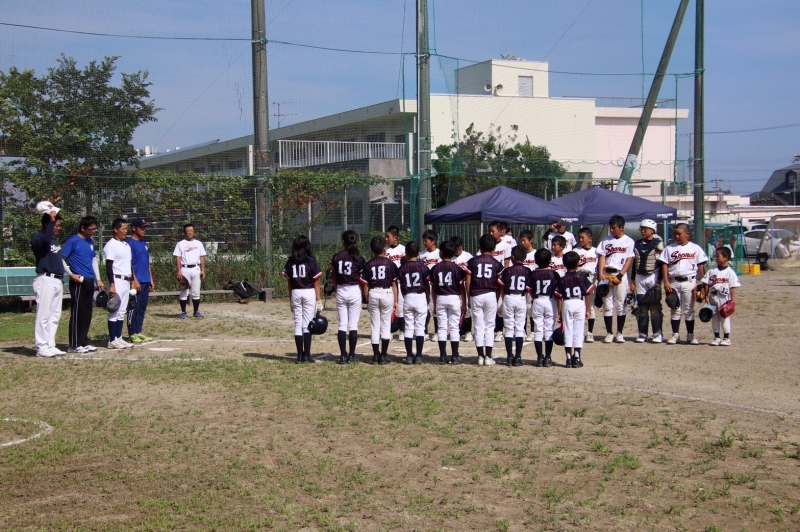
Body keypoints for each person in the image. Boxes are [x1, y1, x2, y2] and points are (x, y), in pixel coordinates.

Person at [61, 215, 105, 354]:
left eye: (95, 229)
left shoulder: (90, 241)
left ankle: (83, 341)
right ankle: (73, 344)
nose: (93, 232)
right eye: (91, 229)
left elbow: (93, 260)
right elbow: (61, 258)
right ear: (82, 228)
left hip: (90, 280)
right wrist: (70, 274)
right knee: (77, 312)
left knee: (87, 312)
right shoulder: (73, 241)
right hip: (78, 280)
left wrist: (98, 279)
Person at [659, 223, 708, 345]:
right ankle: (675, 335)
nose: (676, 236)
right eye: (675, 234)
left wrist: (703, 283)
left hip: (690, 281)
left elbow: (701, 266)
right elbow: (664, 265)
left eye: (679, 234)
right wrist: (666, 281)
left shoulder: (695, 248)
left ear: (687, 234)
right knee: (674, 308)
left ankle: (690, 335)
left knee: (689, 309)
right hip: (674, 282)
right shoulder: (669, 248)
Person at [30, 203, 67, 357]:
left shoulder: (54, 241)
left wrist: (61, 281)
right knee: (43, 315)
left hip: (56, 280)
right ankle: (41, 346)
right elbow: (44, 242)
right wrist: (51, 220)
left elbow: (57, 263)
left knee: (54, 316)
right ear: (47, 224)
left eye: (58, 225)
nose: (58, 228)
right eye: (56, 225)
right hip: (45, 279)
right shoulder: (38, 238)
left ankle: (50, 344)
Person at [282, 235, 323, 363]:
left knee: (298, 323)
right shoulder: (311, 260)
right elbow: (316, 282)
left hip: (295, 292)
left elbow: (289, 282)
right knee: (307, 323)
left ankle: (299, 355)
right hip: (308, 291)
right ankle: (307, 355)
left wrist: (290, 298)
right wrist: (318, 299)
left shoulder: (290, 261)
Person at [465, 234, 503, 366]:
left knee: (478, 326)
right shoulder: (497, 263)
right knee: (490, 326)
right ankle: (488, 356)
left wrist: (469, 296)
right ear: (494, 248)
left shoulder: (473, 261)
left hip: (476, 294)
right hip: (490, 294)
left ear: (479, 246)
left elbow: (468, 281)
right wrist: (496, 297)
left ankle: (480, 356)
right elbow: (499, 284)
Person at [597, 215, 635, 343]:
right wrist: (600, 273)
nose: (612, 230)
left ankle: (619, 333)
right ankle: (609, 333)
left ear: (622, 227)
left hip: (619, 274)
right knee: (607, 304)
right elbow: (602, 257)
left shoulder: (629, 241)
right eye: (611, 228)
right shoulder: (606, 240)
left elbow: (629, 259)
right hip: (606, 274)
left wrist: (621, 274)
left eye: (614, 228)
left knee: (620, 304)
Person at [361, 236, 399, 365]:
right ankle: (383, 355)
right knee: (386, 324)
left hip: (373, 292)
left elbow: (366, 284)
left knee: (375, 325)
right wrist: (396, 300)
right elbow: (394, 283)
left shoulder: (368, 264)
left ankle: (375, 355)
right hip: (387, 292)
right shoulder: (390, 264)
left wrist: (367, 298)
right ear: (384, 249)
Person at [429, 240, 467, 365]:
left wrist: (434, 304)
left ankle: (442, 355)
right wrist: (464, 302)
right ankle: (455, 355)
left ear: (440, 253)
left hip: (441, 297)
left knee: (442, 327)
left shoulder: (435, 268)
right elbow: (462, 287)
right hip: (454, 297)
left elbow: (433, 288)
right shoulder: (457, 268)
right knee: (454, 327)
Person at [331, 230, 366, 363]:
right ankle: (352, 355)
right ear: (356, 241)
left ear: (343, 242)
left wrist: (337, 288)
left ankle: (342, 355)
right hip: (354, 289)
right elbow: (361, 278)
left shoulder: (336, 257)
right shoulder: (359, 258)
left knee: (342, 324)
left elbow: (334, 276)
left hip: (341, 289)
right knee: (353, 325)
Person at [555, 251, 594, 368]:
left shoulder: (562, 279)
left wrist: (559, 313)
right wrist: (588, 310)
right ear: (578, 263)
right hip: (579, 303)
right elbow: (587, 294)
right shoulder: (582, 277)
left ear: (564, 264)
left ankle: (568, 358)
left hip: (567, 303)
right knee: (578, 330)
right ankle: (577, 357)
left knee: (567, 330)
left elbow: (559, 297)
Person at [630, 219, 664, 343]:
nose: (643, 231)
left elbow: (662, 264)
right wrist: (632, 280)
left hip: (653, 276)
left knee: (655, 307)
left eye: (646, 229)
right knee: (642, 307)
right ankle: (642, 333)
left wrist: (659, 281)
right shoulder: (637, 244)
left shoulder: (658, 244)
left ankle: (657, 334)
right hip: (640, 277)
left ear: (653, 230)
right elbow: (635, 263)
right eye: (642, 229)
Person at [699, 246, 740, 346]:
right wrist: (706, 296)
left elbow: (732, 288)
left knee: (724, 317)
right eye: (715, 256)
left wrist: (733, 301)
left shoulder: (730, 272)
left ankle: (726, 338)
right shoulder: (712, 271)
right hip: (713, 298)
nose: (716, 258)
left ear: (726, 258)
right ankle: (716, 337)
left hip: (724, 298)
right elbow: (706, 283)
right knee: (715, 318)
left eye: (718, 256)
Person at [397, 241, 430, 364]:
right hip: (420, 296)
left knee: (408, 327)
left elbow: (401, 285)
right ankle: (419, 355)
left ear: (406, 253)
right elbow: (427, 283)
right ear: (419, 253)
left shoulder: (402, 267)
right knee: (420, 327)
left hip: (408, 296)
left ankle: (409, 355)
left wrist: (405, 295)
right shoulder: (423, 267)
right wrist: (427, 296)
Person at [104, 218, 134, 349]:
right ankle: (112, 340)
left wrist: (132, 281)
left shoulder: (126, 245)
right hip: (116, 280)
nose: (126, 231)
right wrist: (112, 284)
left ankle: (118, 337)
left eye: (126, 229)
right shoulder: (111, 245)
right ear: (115, 229)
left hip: (126, 280)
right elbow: (109, 266)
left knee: (122, 311)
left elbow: (129, 264)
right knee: (114, 310)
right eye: (123, 229)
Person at [498, 245, 530, 366]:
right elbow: (528, 288)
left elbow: (501, 285)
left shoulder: (507, 270)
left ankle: (509, 356)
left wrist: (504, 298)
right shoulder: (527, 271)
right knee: (520, 328)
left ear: (512, 257)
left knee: (509, 328)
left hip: (509, 297)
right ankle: (518, 357)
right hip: (521, 298)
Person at [527, 248, 559, 367]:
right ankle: (548, 357)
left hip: (537, 300)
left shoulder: (533, 274)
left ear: (535, 261)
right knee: (549, 329)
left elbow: (530, 290)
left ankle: (540, 358)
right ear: (550, 261)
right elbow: (557, 291)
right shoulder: (554, 274)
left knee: (538, 330)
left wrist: (535, 298)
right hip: (550, 300)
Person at [127, 218, 155, 343]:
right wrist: (134, 280)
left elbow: (147, 263)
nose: (144, 230)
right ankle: (132, 333)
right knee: (134, 308)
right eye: (142, 227)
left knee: (142, 308)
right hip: (136, 281)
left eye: (145, 227)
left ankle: (139, 331)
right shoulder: (129, 243)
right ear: (134, 228)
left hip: (145, 280)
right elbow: (130, 264)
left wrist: (151, 278)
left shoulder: (144, 243)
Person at [173, 223, 207, 319]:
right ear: (185, 232)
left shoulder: (198, 243)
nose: (189, 232)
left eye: (191, 231)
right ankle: (183, 312)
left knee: (196, 292)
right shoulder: (180, 244)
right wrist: (179, 270)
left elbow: (202, 257)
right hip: (185, 269)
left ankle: (196, 312)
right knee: (184, 291)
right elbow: (178, 258)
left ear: (194, 232)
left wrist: (203, 270)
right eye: (187, 231)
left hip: (196, 268)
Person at [574, 227, 598, 343]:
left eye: (583, 237)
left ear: (590, 238)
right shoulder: (575, 251)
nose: (580, 240)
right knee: (579, 305)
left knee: (591, 306)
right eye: (579, 237)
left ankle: (590, 332)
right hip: (579, 278)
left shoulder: (596, 251)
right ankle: (579, 332)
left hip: (592, 278)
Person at [450, 235, 474, 342]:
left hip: (465, 285)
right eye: (455, 248)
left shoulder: (468, 256)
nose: (458, 250)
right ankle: (459, 331)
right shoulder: (450, 258)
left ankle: (468, 332)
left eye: (459, 247)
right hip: (454, 288)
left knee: (467, 310)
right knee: (456, 309)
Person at [385, 225, 406, 341]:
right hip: (389, 282)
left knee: (401, 306)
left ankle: (403, 330)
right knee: (389, 305)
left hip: (400, 281)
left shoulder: (403, 249)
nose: (386, 239)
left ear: (395, 237)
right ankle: (388, 330)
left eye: (388, 236)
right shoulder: (385, 249)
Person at [420, 230, 441, 341]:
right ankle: (425, 331)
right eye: (423, 241)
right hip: (425, 284)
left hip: (436, 284)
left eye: (426, 241)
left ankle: (437, 331)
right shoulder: (422, 254)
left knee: (435, 308)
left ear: (433, 241)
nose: (424, 243)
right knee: (425, 308)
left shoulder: (439, 253)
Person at [518, 230, 537, 342]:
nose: (522, 243)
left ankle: (533, 331)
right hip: (521, 285)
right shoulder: (520, 254)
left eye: (524, 241)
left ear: (531, 240)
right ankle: (523, 331)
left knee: (531, 309)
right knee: (522, 309)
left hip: (532, 285)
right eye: (521, 241)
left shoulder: (535, 254)